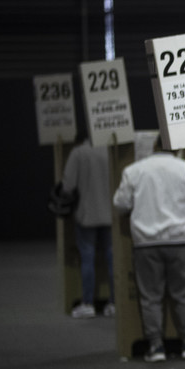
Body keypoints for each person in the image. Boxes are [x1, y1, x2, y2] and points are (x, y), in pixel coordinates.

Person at [111, 141, 185, 363]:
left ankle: (156, 346)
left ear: (153, 147)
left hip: (146, 243)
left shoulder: (135, 170)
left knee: (150, 297)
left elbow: (120, 204)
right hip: (181, 240)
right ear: (176, 148)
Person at [62, 133, 115, 319]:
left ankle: (87, 303)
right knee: (112, 259)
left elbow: (68, 185)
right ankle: (114, 303)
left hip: (86, 215)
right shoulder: (111, 150)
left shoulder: (78, 153)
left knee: (87, 259)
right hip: (110, 214)